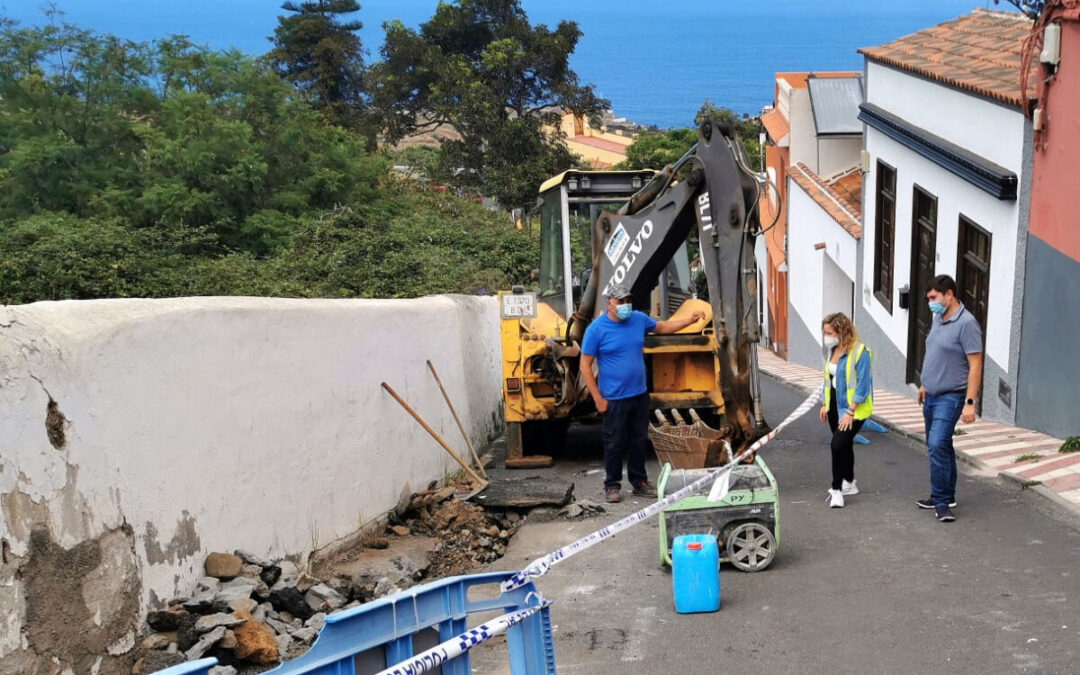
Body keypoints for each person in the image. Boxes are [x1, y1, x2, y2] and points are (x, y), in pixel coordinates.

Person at [580, 284, 706, 503]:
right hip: (613, 398)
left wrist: (690, 320)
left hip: (638, 394)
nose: (625, 305)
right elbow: (584, 365)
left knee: (639, 440)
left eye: (628, 301)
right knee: (614, 442)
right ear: (609, 303)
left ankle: (639, 483)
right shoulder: (596, 329)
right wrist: (598, 399)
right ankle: (612, 485)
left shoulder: (638, 319)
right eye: (620, 302)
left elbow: (663, 327)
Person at [917, 275, 983, 523]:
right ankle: (945, 494)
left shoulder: (967, 323)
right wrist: (924, 383)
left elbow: (975, 364)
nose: (930, 303)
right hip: (931, 395)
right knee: (941, 445)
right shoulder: (938, 318)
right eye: (928, 298)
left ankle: (942, 503)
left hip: (952, 397)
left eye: (934, 298)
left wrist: (970, 402)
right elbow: (933, 352)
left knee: (936, 444)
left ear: (949, 295)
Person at [817, 313, 873, 509]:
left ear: (841, 331)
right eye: (824, 332)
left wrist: (850, 412)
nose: (826, 336)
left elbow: (863, 386)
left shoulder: (860, 352)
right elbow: (828, 380)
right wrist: (824, 403)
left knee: (837, 445)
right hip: (834, 405)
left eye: (829, 332)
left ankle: (837, 490)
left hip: (853, 410)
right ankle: (849, 482)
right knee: (845, 444)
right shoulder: (831, 350)